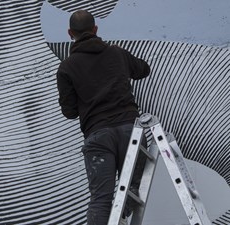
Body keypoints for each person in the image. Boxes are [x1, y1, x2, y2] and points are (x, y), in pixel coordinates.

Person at [56, 9, 150, 225]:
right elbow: (143, 70)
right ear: (95, 29)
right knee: (133, 191)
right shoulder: (116, 53)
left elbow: (69, 112)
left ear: (70, 33)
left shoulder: (66, 68)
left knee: (101, 200)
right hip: (130, 132)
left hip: (98, 137)